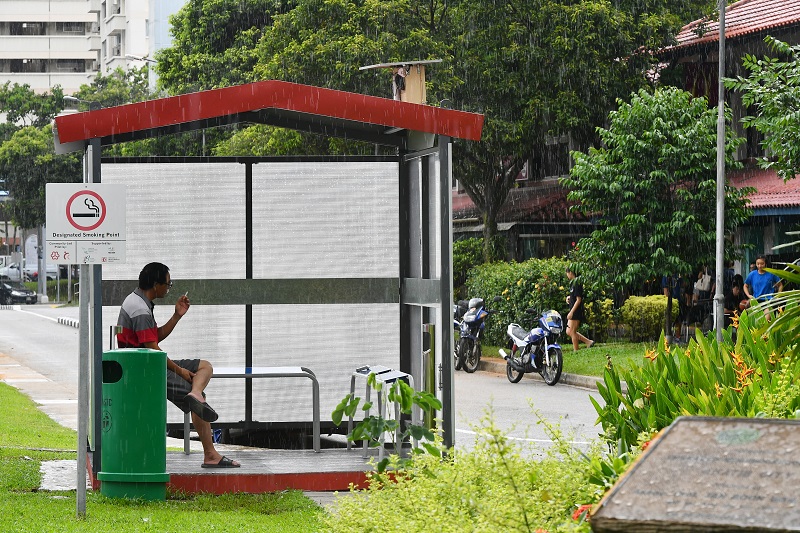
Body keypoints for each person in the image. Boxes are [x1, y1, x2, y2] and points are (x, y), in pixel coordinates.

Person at [116, 262, 240, 468]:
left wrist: (177, 315)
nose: (168, 287)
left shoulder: (138, 301)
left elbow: (154, 338)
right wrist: (180, 371)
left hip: (149, 362)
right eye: (168, 283)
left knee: (205, 366)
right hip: (146, 369)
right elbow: (153, 350)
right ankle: (210, 454)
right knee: (199, 403)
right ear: (156, 285)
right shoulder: (140, 309)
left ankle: (196, 393)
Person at [565, 267, 595, 351]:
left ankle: (576, 350)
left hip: (576, 310)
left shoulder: (577, 283)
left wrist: (571, 312)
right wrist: (569, 298)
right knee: (568, 331)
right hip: (573, 309)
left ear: (570, 272)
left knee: (572, 331)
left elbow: (579, 300)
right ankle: (588, 342)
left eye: (567, 273)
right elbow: (574, 296)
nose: (567, 275)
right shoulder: (572, 283)